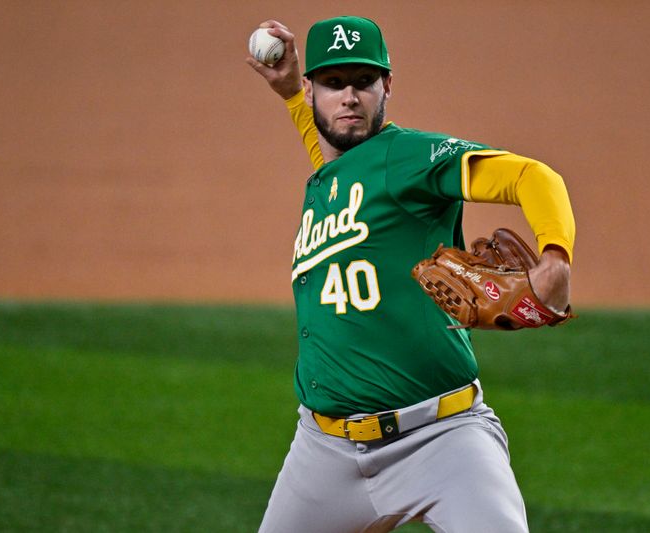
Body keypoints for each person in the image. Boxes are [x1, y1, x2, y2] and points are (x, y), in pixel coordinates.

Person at [246, 16, 575, 533]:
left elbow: (533, 176)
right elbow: (330, 151)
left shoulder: (410, 157)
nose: (349, 97)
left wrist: (555, 254)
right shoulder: (332, 171)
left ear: (387, 86)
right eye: (333, 84)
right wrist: (290, 95)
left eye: (363, 82)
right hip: (323, 453)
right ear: (313, 89)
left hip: (443, 439)